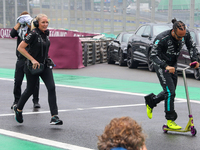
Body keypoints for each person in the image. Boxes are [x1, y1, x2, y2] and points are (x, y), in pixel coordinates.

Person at [145, 18, 199, 129]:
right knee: (170, 92)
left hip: (173, 64)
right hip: (161, 65)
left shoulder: (185, 34)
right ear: (173, 31)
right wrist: (165, 66)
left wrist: (195, 60)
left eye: (183, 37)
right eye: (179, 37)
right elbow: (153, 56)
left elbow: (192, 46)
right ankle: (170, 120)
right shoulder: (162, 38)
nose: (181, 39)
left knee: (170, 91)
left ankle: (151, 102)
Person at [13, 14, 63, 125]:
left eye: (47, 22)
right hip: (32, 67)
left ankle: (54, 116)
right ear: (37, 23)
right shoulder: (33, 34)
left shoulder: (46, 33)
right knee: (30, 90)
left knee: (51, 88)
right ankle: (19, 109)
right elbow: (20, 48)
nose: (45, 25)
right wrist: (32, 60)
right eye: (43, 22)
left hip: (44, 65)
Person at [10, 11, 41, 109]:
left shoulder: (32, 28)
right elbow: (12, 34)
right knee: (18, 80)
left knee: (34, 81)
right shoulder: (19, 28)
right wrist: (19, 23)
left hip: (32, 58)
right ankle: (16, 100)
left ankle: (35, 100)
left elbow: (35, 31)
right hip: (21, 58)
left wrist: (29, 23)